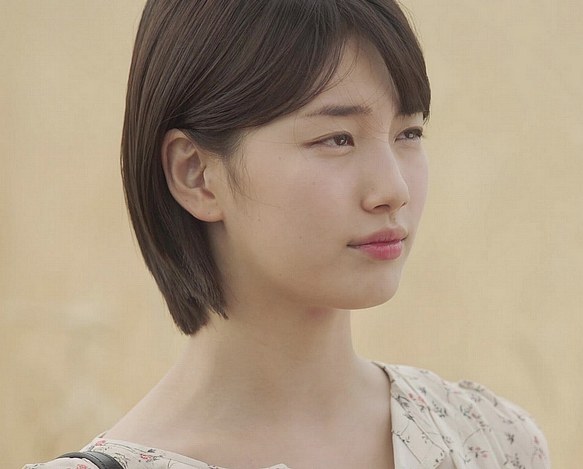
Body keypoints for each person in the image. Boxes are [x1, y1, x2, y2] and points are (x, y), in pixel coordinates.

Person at [24, 1, 550, 468]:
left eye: (408, 133)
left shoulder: (491, 441)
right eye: (336, 139)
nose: (393, 189)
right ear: (195, 174)